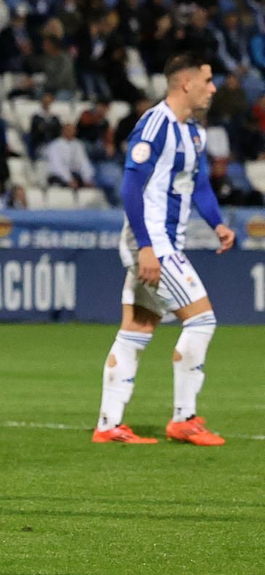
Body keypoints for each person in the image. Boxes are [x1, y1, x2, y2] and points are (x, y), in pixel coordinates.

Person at [93, 55, 234, 446]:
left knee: (135, 330)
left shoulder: (193, 132)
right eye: (207, 80)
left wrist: (217, 222)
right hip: (153, 241)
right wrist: (146, 247)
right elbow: (129, 187)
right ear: (185, 83)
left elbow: (199, 184)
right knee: (202, 320)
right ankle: (184, 418)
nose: (213, 87)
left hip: (164, 241)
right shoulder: (156, 124)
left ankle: (108, 425)